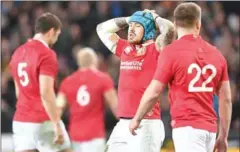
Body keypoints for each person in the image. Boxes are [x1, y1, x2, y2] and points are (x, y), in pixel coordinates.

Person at [129, 3, 232, 152]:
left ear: (176, 24)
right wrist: (223, 136)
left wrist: (137, 118)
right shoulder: (217, 54)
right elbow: (226, 99)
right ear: (198, 24)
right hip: (210, 129)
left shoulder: (171, 53)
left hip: (187, 127)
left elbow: (155, 92)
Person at [96, 10, 175, 152]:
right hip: (123, 124)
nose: (130, 30)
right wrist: (129, 19)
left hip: (147, 124)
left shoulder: (157, 49)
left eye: (137, 26)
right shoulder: (125, 48)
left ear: (148, 30)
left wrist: (154, 18)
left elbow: (169, 29)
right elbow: (101, 29)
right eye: (130, 26)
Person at [9, 12, 72, 152]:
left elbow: (18, 92)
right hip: (43, 120)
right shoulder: (46, 54)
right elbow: (46, 91)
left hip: (21, 121)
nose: (56, 39)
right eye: (57, 35)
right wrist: (56, 123)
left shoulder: (17, 53)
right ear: (51, 32)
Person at [56, 47, 118, 152]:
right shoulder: (103, 79)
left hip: (75, 135)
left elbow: (57, 108)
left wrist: (56, 128)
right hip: (95, 135)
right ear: (95, 61)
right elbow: (116, 108)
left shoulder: (67, 82)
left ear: (79, 63)